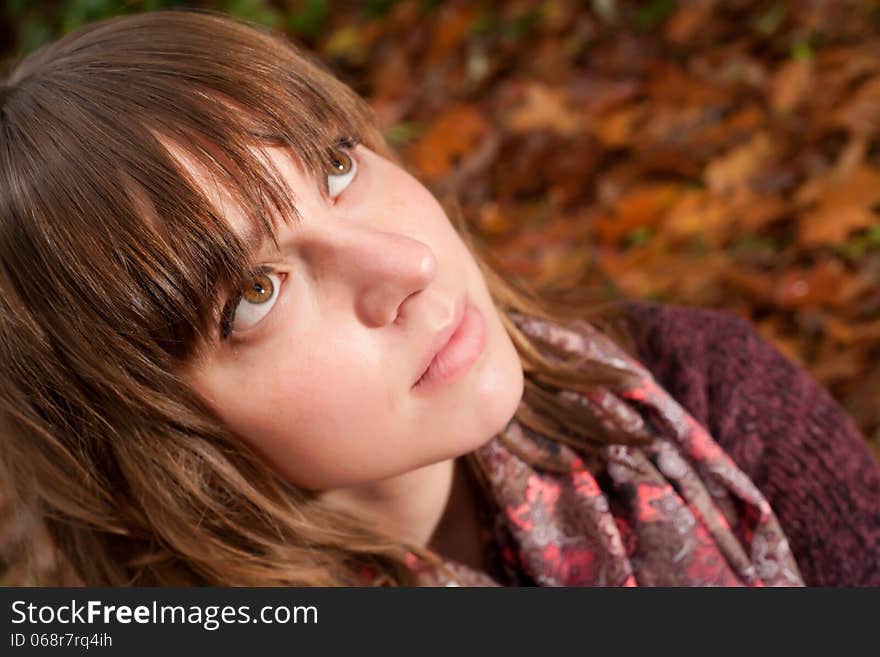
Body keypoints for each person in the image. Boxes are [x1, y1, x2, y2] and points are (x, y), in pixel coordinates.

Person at [0, 9, 877, 588]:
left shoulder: (701, 387)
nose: (407, 263)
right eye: (256, 292)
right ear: (130, 436)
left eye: (337, 165)